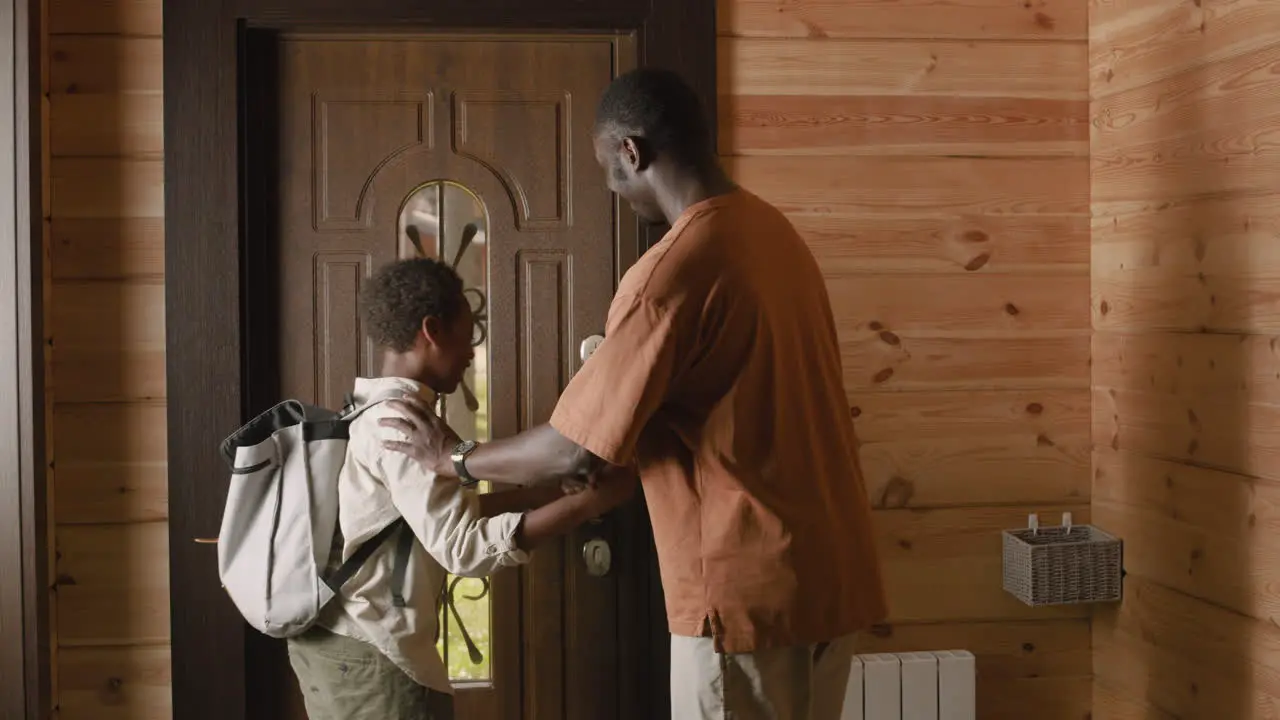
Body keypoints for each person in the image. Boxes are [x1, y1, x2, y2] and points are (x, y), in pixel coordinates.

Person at [377, 68, 888, 719]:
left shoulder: (675, 269)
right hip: (829, 574)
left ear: (631, 151)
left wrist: (455, 459)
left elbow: (570, 449)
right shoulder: (772, 234)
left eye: (606, 167)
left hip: (745, 590)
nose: (610, 187)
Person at [286, 257, 636, 720]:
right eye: (467, 336)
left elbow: (422, 522)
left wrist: (542, 494)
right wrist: (595, 500)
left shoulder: (375, 408)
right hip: (373, 656)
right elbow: (462, 548)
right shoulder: (401, 425)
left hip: (346, 645)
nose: (473, 352)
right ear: (431, 331)